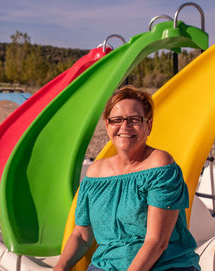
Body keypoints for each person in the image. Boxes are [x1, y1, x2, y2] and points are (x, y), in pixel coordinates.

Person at [54, 85, 200, 271]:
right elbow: (82, 235)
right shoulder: (94, 173)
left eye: (134, 119)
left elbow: (157, 242)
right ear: (107, 124)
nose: (125, 126)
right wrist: (59, 268)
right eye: (117, 120)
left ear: (149, 125)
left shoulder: (160, 165)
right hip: (106, 267)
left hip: (165, 266)